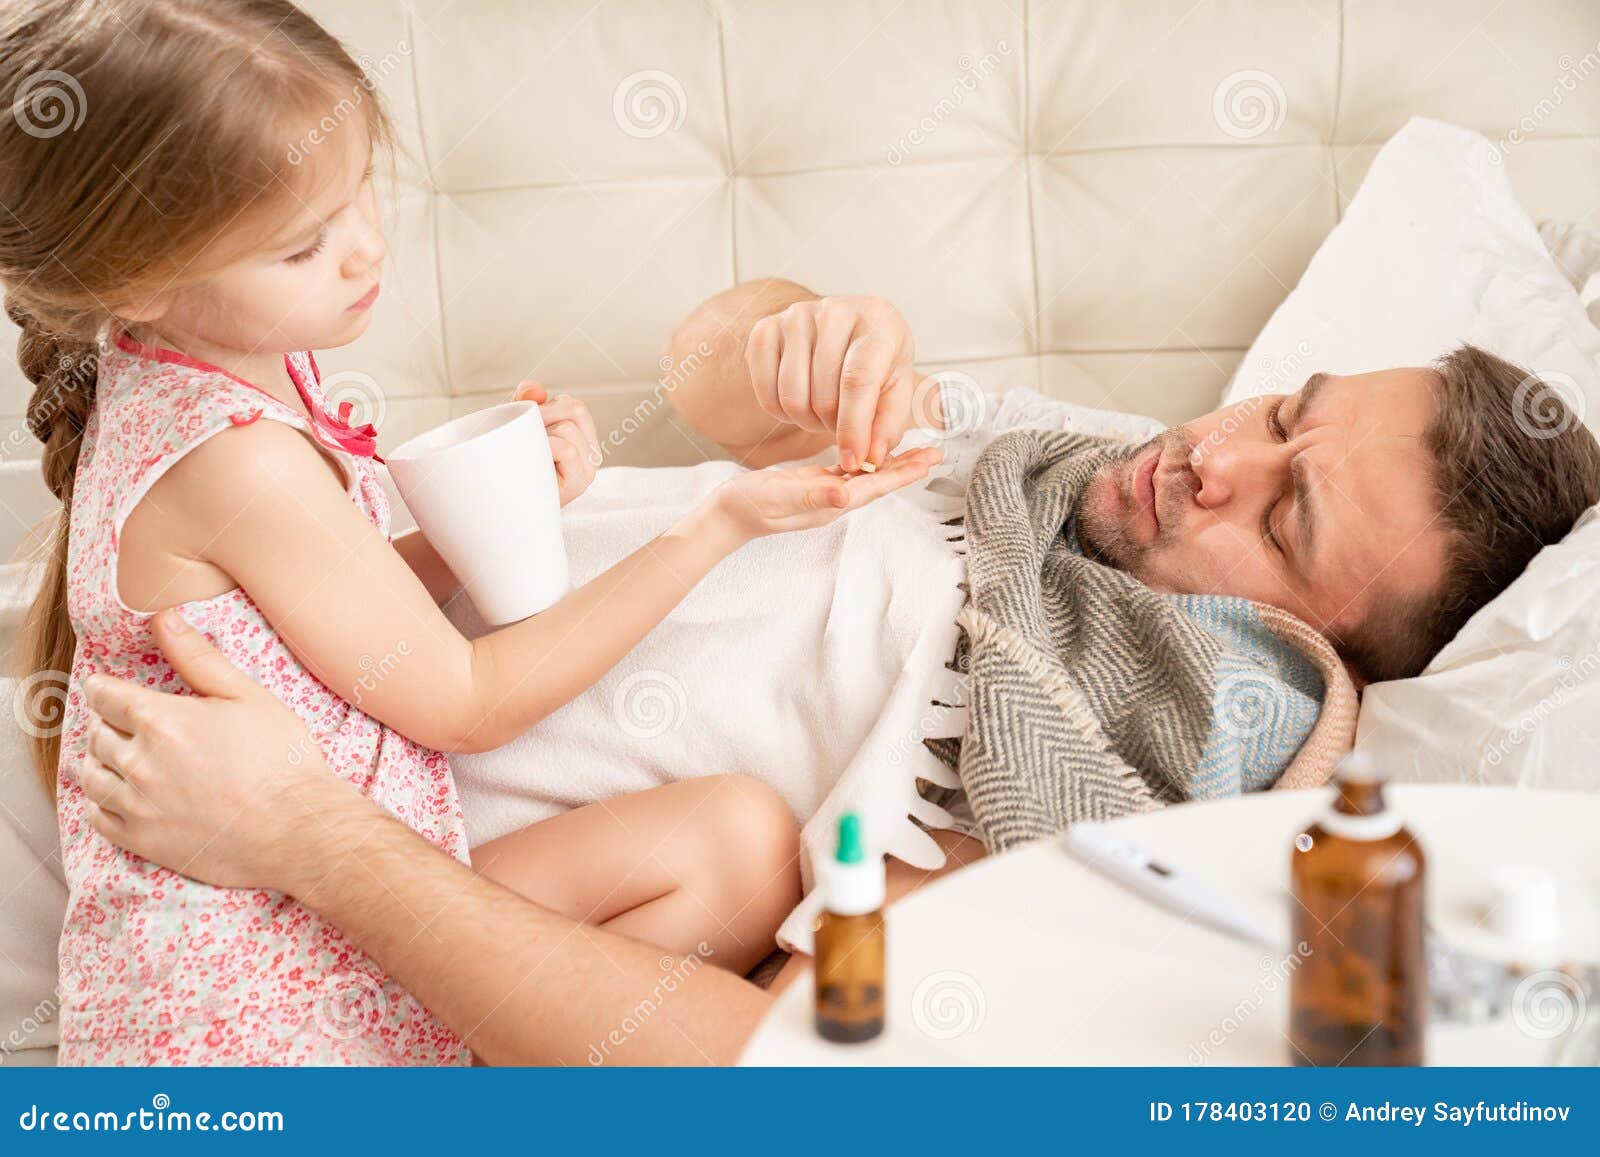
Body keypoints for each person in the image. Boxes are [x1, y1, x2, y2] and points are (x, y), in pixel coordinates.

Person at [2, 0, 936, 1066]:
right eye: (306, 245)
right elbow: (467, 701)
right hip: (258, 1003)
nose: (362, 254)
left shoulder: (212, 362)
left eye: (359, 193)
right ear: (140, 283)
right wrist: (711, 526)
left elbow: (317, 615)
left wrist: (486, 521)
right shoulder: (233, 454)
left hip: (311, 897)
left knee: (735, 842)